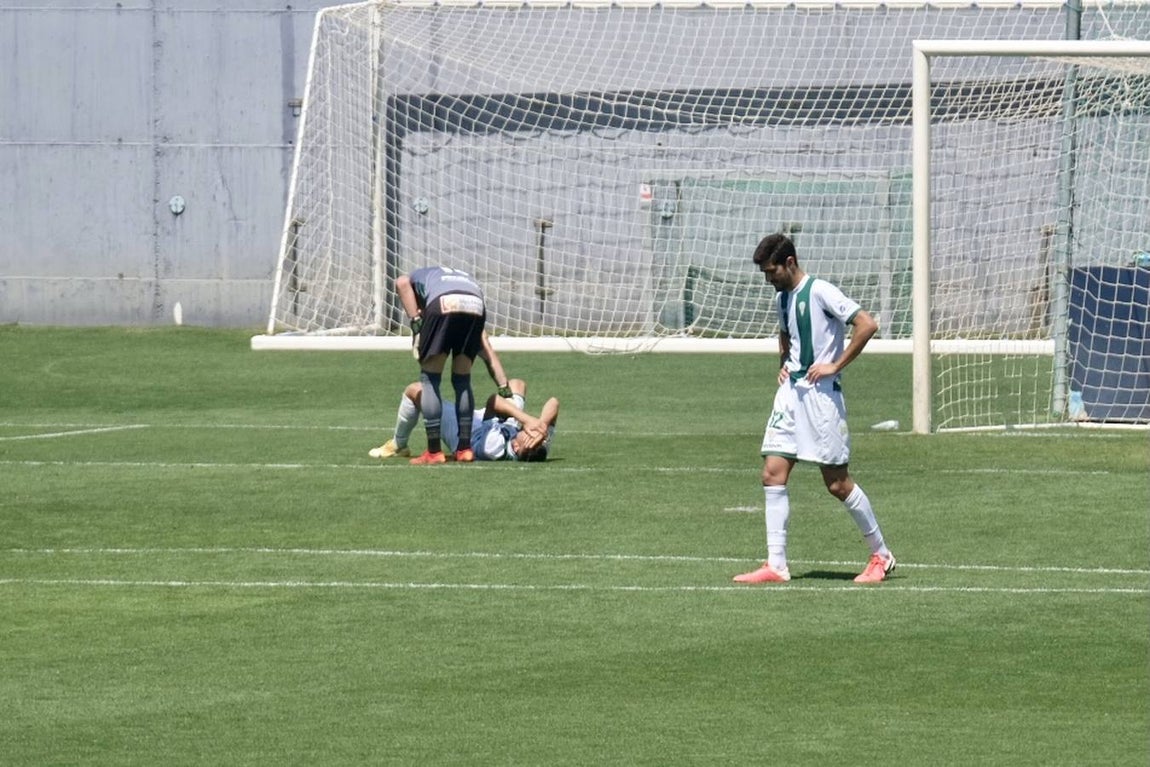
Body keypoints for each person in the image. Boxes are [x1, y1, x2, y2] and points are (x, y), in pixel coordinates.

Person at [734, 233, 896, 585]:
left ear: (789, 263)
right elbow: (785, 334)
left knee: (836, 483)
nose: (768, 279)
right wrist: (784, 362)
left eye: (771, 271)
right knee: (772, 473)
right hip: (790, 395)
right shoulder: (782, 298)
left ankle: (881, 556)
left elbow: (867, 324)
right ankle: (776, 565)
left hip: (822, 398)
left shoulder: (821, 291)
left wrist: (835, 365)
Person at [396, 265, 489, 465]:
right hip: (475, 304)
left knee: (430, 379)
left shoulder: (414, 278)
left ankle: (434, 451)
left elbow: (401, 283)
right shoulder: (449, 274)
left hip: (444, 302)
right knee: (462, 379)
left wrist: (416, 323)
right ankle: (465, 449)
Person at [370, 378, 559, 462]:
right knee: (517, 384)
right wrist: (541, 425)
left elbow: (493, 402)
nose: (530, 431)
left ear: (517, 449)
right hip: (491, 423)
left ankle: (398, 444)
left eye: (528, 433)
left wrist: (526, 419)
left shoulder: (494, 447)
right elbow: (554, 403)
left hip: (466, 433)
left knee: (415, 391)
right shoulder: (537, 445)